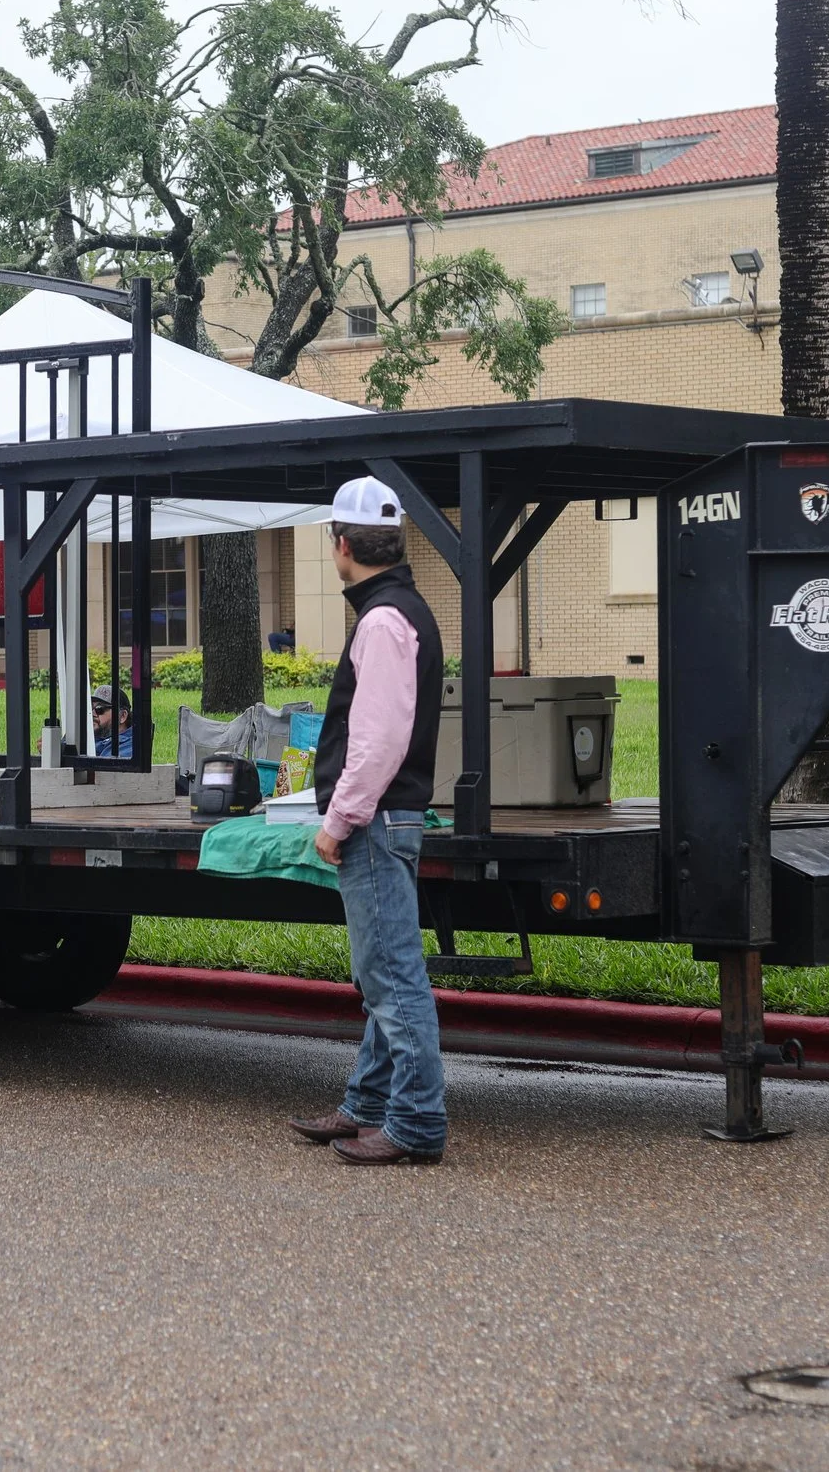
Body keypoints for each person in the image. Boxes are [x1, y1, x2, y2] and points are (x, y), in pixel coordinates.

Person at [288, 475, 448, 1166]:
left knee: (390, 975)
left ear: (342, 544)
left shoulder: (382, 620)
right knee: (385, 969)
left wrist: (338, 819)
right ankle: (368, 1103)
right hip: (394, 817)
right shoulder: (403, 609)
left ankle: (414, 1121)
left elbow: (378, 740)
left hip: (375, 820)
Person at [90, 683, 136, 760]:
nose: (92, 713)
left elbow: (103, 768)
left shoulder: (130, 745)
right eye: (90, 708)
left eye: (99, 709)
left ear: (122, 716)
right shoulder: (89, 738)